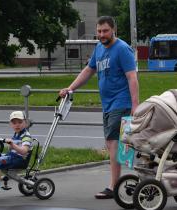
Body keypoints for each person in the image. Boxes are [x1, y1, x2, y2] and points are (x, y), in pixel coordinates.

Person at [59, 16, 139, 199]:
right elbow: (88, 70)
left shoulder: (122, 49)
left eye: (105, 31)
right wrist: (70, 88)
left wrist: (135, 104)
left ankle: (113, 186)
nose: (102, 35)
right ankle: (127, 180)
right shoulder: (99, 49)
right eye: (99, 31)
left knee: (113, 143)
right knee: (115, 144)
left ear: (113, 30)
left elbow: (132, 77)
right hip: (108, 104)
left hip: (122, 102)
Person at [0, 111, 33, 192]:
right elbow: (13, 148)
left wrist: (12, 144)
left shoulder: (26, 136)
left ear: (25, 123)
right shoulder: (16, 134)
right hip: (13, 157)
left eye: (20, 122)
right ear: (11, 124)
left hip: (20, 160)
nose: (17, 125)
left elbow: (24, 151)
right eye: (14, 123)